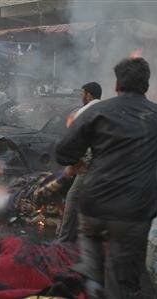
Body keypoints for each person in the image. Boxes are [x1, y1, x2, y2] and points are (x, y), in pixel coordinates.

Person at [55, 57, 157, 298]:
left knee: (90, 236)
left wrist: (77, 163)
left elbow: (63, 151)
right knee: (121, 272)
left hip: (94, 203)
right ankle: (105, 285)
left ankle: (92, 277)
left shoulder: (98, 111)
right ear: (146, 85)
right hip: (134, 211)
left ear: (116, 85)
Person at [58, 81, 102, 243]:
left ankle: (64, 240)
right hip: (105, 165)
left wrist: (72, 165)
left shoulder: (83, 112)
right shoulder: (104, 109)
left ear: (88, 94)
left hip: (89, 164)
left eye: (82, 94)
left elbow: (76, 142)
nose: (81, 97)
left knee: (73, 197)